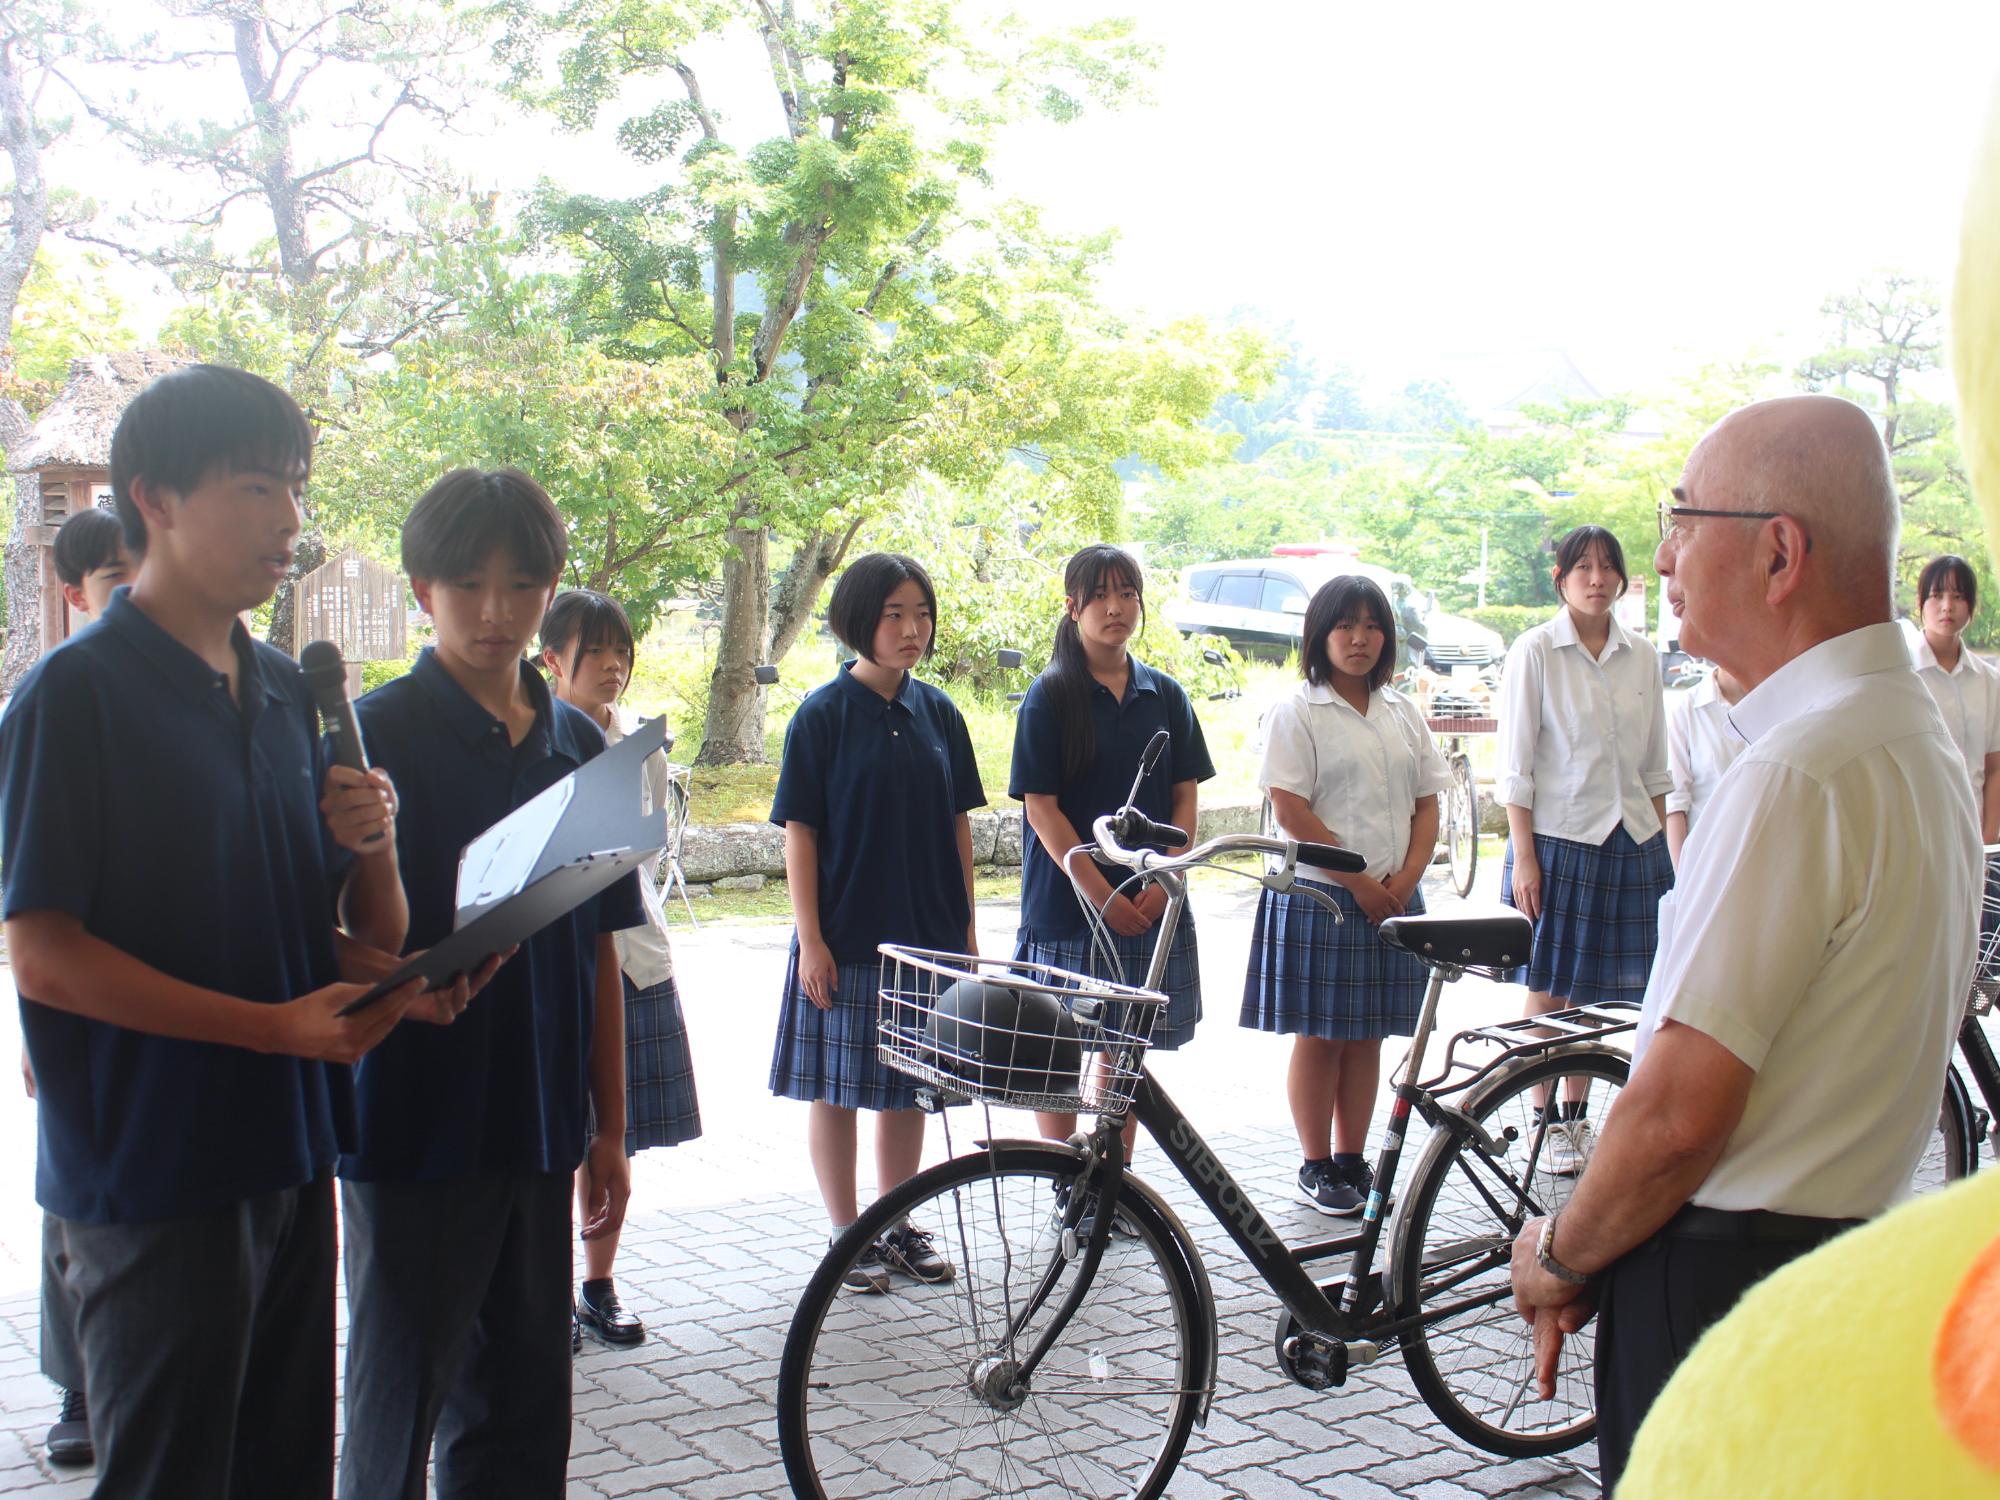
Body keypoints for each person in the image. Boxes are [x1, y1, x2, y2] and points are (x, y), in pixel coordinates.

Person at [1507, 394, 1980, 1492]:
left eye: (1682, 517)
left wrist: (1561, 1252)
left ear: (1777, 554)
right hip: (1835, 1262)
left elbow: (1674, 1117)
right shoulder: (1911, 740)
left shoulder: (1793, 771)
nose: (1659, 555)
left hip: (1715, 1286)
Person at [0, 363, 432, 1498]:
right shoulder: (74, 697)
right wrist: (270, 1030)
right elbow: (42, 954)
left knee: (281, 1472)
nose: (288, 520)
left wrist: (392, 928)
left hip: (291, 1155)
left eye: (293, 488)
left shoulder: (290, 693)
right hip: (155, 1172)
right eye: (254, 488)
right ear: (154, 497)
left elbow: (333, 935)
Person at [335, 469, 646, 1499]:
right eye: (467, 584)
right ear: (423, 589)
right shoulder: (372, 739)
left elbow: (599, 942)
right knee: (397, 1408)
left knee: (520, 1414)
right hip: (410, 1129)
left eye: (521, 586)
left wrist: (607, 1124)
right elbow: (323, 933)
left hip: (538, 1125)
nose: (495, 611)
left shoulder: (577, 744)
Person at [769, 552, 984, 1294]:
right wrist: (813, 941)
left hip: (927, 938)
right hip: (848, 937)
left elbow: (959, 826)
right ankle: (844, 1231)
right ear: (860, 620)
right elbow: (801, 832)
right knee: (837, 1088)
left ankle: (898, 1222)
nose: (911, 628)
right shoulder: (821, 716)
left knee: (912, 1088)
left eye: (921, 613)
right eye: (894, 613)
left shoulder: (940, 715)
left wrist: (967, 930)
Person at [1240, 575, 1450, 1216]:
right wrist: (1359, 881)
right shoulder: (1297, 710)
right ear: (1320, 635)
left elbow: (1427, 803)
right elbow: (1290, 806)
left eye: (1372, 626)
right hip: (1322, 897)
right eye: (1344, 626)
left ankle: (1352, 1159)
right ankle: (1315, 1163)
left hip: (1392, 898)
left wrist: (1405, 882)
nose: (1359, 639)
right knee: (1321, 1037)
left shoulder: (1401, 711)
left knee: (1369, 1037)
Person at [1009, 544, 1215, 1151]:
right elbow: (1041, 810)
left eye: (1126, 593)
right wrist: (1100, 895)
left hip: (1151, 898)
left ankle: (1109, 1184)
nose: (1115, 607)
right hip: (1069, 904)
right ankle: (1060, 1180)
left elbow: (1185, 801)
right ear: (1073, 607)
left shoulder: (1166, 695)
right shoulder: (1049, 696)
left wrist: (1161, 884)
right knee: (1059, 1048)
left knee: (1124, 1050)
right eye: (1099, 595)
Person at [539, 589, 703, 1348]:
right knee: (551, 1134)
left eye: (621, 653)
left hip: (633, 950)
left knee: (617, 1132)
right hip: (552, 956)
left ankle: (596, 1285)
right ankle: (541, 1293)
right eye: (594, 652)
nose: (612, 667)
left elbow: (642, 854)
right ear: (552, 660)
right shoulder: (533, 739)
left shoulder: (640, 742)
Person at [1497, 524, 1673, 1169]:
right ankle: (1540, 1114)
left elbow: (1658, 768)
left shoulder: (1644, 656)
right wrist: (1526, 859)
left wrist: (1675, 860)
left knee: (1602, 994)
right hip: (1558, 839)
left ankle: (1578, 1116)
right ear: (1560, 579)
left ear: (1622, 579)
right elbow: (1515, 768)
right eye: (1583, 568)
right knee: (1549, 986)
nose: (1597, 579)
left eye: (1607, 567)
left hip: (1634, 840)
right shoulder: (1536, 651)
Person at [27, 506, 141, 1467]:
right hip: (79, 1020)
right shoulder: (58, 698)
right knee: (73, 1213)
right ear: (73, 591)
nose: (131, 593)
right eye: (111, 579)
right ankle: (75, 1388)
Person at [1907, 554, 2000, 844]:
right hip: (1918, 834)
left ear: (1971, 605)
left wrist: (1987, 841)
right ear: (1920, 603)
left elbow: (1994, 767)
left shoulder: (1988, 680)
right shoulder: (1903, 675)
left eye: (1958, 596)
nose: (1947, 606)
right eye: (1937, 596)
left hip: (1972, 835)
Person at [1662, 665, 1748, 869]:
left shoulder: (1774, 703)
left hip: (1762, 852)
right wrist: (1682, 878)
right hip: (1706, 859)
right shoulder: (1688, 707)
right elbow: (1675, 802)